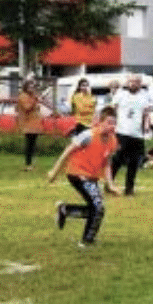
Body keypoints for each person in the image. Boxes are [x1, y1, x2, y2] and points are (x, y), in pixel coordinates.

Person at [49, 105, 119, 246]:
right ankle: (87, 242)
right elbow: (67, 151)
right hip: (77, 173)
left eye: (114, 123)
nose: (112, 126)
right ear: (100, 122)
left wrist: (110, 184)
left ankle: (65, 210)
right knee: (98, 207)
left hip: (91, 176)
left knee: (96, 209)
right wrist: (54, 172)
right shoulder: (88, 135)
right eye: (109, 122)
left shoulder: (112, 140)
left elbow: (107, 164)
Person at [110, 73, 153, 195]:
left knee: (134, 162)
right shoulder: (121, 94)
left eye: (136, 82)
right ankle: (109, 184)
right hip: (122, 132)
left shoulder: (144, 96)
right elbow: (113, 109)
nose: (133, 84)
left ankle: (129, 189)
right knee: (117, 160)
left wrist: (147, 125)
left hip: (137, 134)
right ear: (127, 82)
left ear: (140, 83)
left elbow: (147, 111)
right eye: (131, 81)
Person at [15, 79, 47, 170]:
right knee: (29, 145)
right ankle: (28, 164)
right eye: (29, 87)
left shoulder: (33, 96)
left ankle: (31, 164)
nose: (31, 88)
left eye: (33, 87)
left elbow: (36, 108)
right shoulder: (23, 96)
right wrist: (35, 100)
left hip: (35, 123)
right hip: (27, 123)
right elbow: (27, 107)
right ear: (25, 87)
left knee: (33, 145)